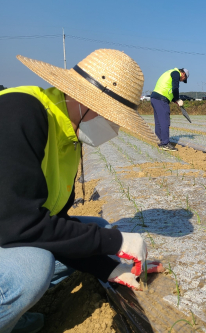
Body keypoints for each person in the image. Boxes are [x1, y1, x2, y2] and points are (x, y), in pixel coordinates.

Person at [0, 49, 164, 333]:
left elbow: (53, 223)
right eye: (114, 119)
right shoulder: (19, 114)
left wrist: (108, 268)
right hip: (7, 227)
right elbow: (17, 225)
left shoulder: (68, 135)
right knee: (34, 267)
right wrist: (114, 242)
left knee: (93, 229)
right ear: (87, 101)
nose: (114, 129)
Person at [151, 67, 189, 151]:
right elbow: (175, 88)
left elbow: (168, 90)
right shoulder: (176, 73)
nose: (182, 81)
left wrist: (174, 100)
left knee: (159, 122)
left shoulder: (170, 72)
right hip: (161, 100)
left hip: (154, 98)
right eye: (183, 79)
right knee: (165, 122)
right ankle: (165, 143)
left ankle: (160, 142)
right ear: (183, 74)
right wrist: (178, 99)